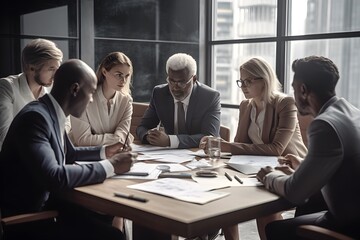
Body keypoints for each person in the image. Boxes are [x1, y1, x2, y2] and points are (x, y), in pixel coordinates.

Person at [0, 59, 135, 240]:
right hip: (31, 219)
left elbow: (69, 153)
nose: (92, 99)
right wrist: (110, 166)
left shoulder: (49, 112)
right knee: (112, 236)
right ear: (75, 89)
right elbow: (54, 176)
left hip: (52, 206)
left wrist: (105, 152)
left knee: (107, 219)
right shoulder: (35, 119)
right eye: (91, 93)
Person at [199, 57, 307, 240]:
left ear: (264, 80)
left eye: (248, 81)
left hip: (290, 169)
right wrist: (219, 144)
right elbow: (239, 142)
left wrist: (226, 146)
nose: (243, 86)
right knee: (223, 195)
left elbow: (276, 149)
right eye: (241, 81)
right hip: (255, 168)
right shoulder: (246, 106)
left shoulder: (285, 104)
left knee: (264, 211)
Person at [257, 56, 360, 239]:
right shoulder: (351, 112)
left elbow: (295, 193)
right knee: (308, 206)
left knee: (274, 229)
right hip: (352, 209)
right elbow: (342, 164)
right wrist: (303, 165)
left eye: (293, 88)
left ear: (303, 90)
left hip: (349, 226)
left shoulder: (324, 125)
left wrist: (269, 176)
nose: (293, 95)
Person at [136, 53, 221, 149]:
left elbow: (210, 137)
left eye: (181, 82)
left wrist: (170, 140)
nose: (175, 87)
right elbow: (142, 128)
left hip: (197, 156)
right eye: (171, 81)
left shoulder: (209, 97)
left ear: (193, 79)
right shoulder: (159, 93)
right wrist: (149, 136)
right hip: (167, 157)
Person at [0, 38, 63, 150]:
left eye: (57, 69)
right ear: (32, 68)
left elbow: (63, 126)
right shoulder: (6, 87)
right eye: (51, 69)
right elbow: (5, 138)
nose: (56, 75)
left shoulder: (53, 88)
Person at [70, 52, 134, 146]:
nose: (123, 81)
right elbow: (83, 140)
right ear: (104, 72)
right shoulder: (82, 98)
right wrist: (118, 139)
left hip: (113, 154)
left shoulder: (126, 101)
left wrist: (120, 139)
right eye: (119, 75)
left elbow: (122, 137)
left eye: (127, 76)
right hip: (81, 156)